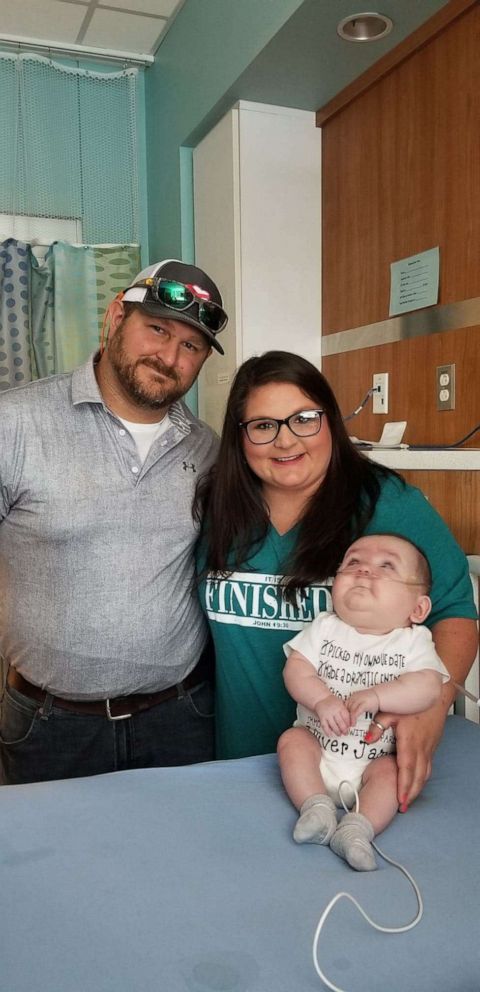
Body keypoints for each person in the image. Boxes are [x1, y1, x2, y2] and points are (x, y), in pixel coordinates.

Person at [196, 350, 477, 811]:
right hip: (239, 767)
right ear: (240, 437)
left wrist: (431, 711)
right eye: (263, 425)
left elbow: (455, 613)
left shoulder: (389, 504)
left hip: (361, 774)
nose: (285, 441)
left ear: (330, 420)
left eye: (304, 418)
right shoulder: (220, 510)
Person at [0, 258, 228, 784]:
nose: (169, 356)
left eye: (190, 345)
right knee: (52, 867)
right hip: (49, 726)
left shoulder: (207, 449)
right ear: (114, 318)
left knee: (180, 863)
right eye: (157, 328)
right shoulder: (16, 423)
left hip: (181, 719)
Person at [277, 533, 449, 871]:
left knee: (390, 774)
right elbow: (296, 670)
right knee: (292, 741)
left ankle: (357, 830)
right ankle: (316, 809)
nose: (364, 571)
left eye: (386, 566)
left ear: (418, 608)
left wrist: (378, 696)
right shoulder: (325, 628)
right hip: (319, 750)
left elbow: (428, 688)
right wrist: (322, 700)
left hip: (374, 761)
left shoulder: (414, 642)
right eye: (353, 562)